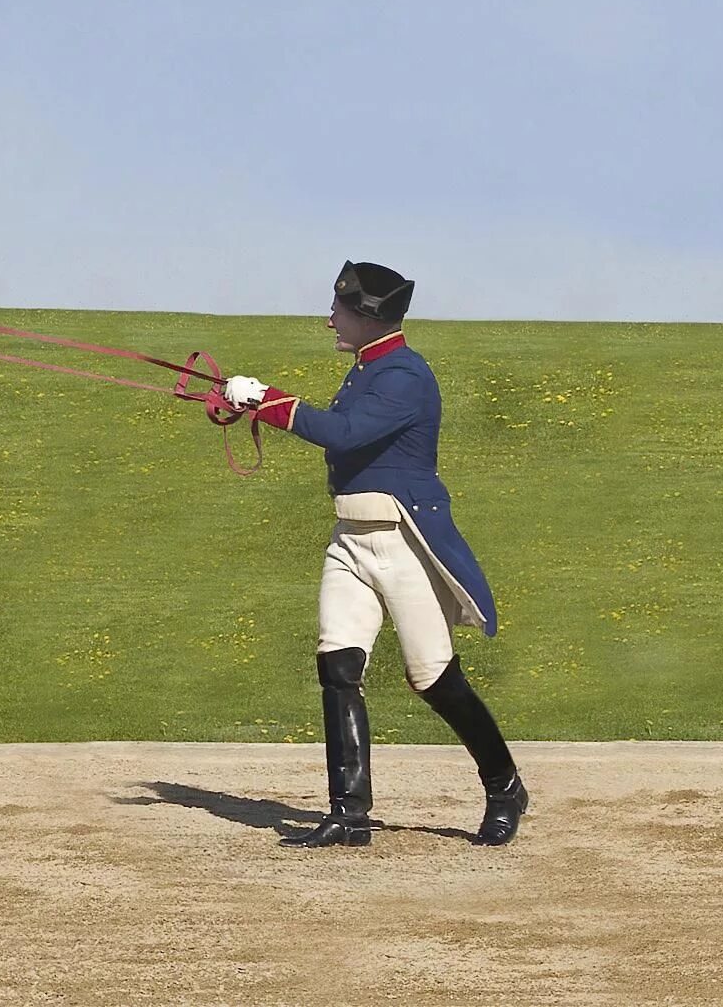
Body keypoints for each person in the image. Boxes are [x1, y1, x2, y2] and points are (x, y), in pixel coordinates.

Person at [223, 262, 529, 848]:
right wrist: (254, 402)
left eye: (340, 310)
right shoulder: (368, 369)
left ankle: (504, 785)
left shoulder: (405, 375)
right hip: (351, 540)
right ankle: (349, 812)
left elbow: (342, 434)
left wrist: (267, 400)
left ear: (369, 317)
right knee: (338, 666)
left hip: (403, 540)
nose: (330, 317)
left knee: (432, 677)